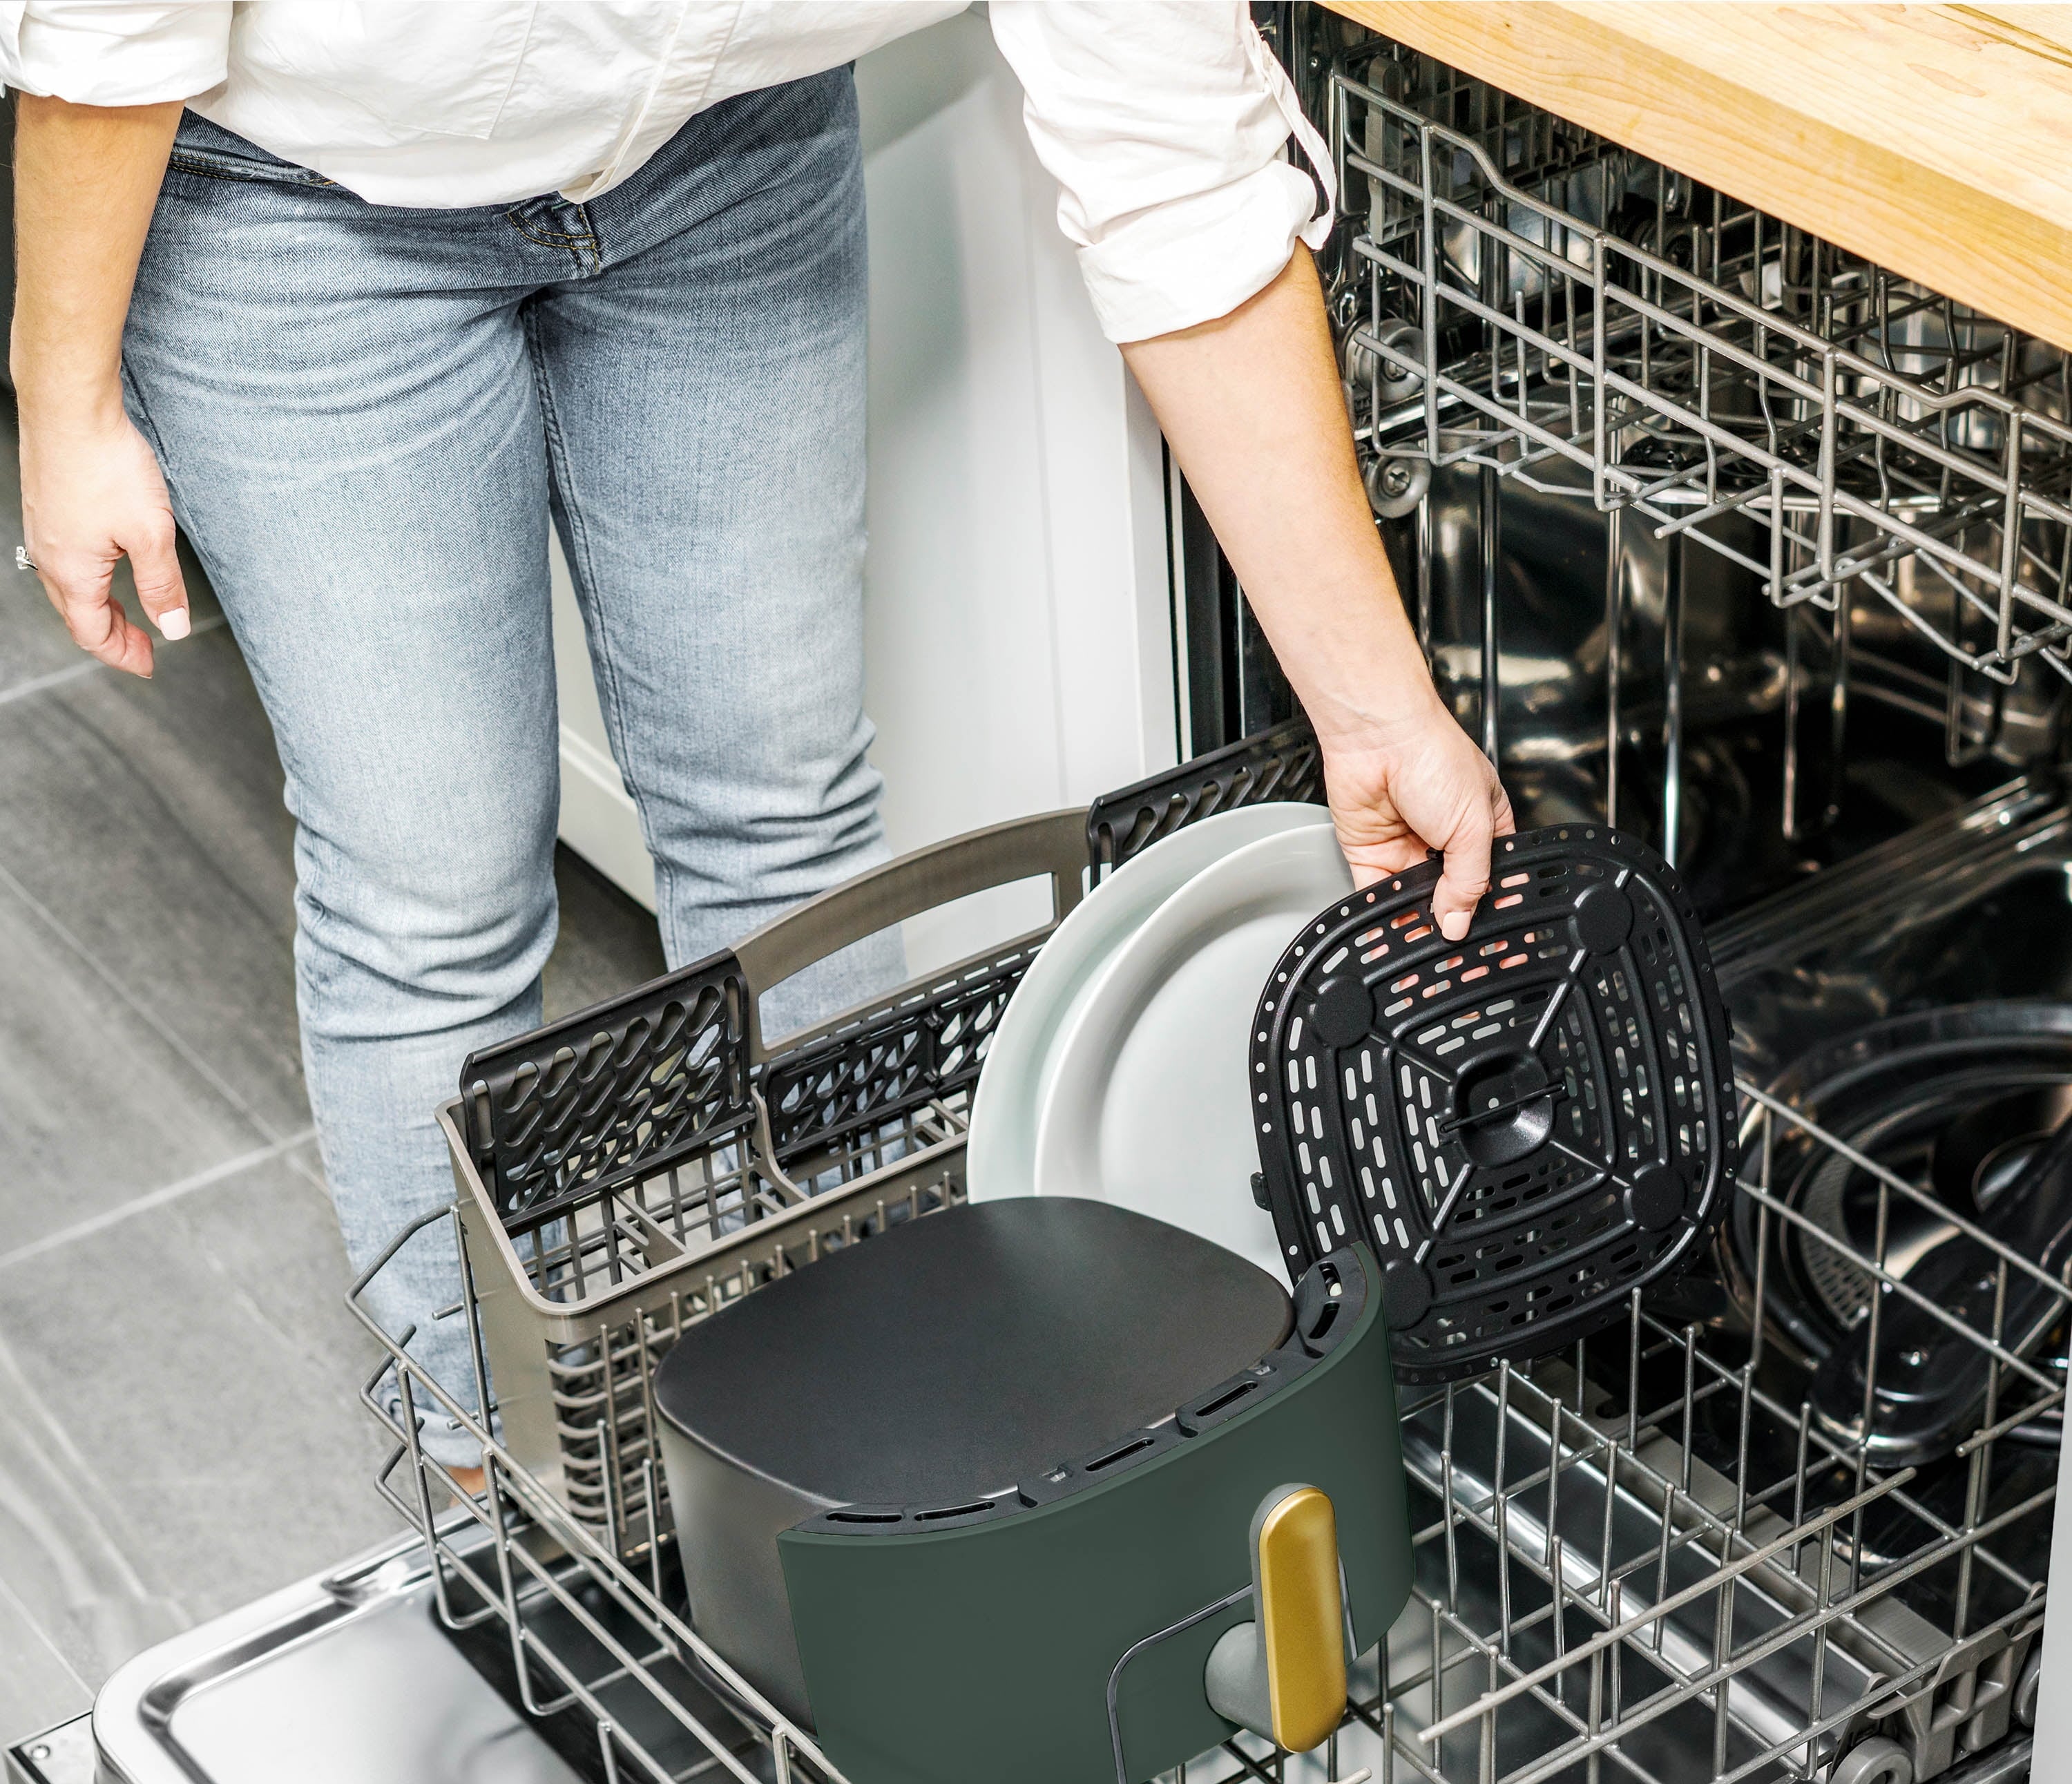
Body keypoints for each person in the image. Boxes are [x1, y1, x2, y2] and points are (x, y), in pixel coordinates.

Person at [5, 2, 1512, 1487]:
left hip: (725, 143)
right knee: (435, 898)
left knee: (783, 824)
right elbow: (112, 18)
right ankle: (497, 1517)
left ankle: (865, 1449)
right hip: (305, 198)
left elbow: (1174, 166)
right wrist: (63, 398)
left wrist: (1376, 709)